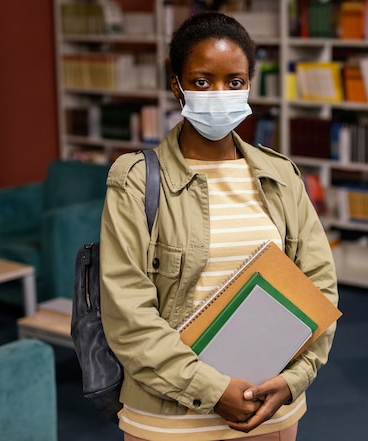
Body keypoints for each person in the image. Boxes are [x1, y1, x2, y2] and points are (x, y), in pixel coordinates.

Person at [99, 11, 338, 441]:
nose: (220, 93)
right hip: (170, 417)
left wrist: (294, 380)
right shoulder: (135, 180)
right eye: (203, 81)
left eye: (235, 81)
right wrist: (213, 390)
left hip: (271, 407)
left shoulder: (281, 175)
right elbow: (128, 316)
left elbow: (318, 289)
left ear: (249, 84)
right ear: (177, 85)